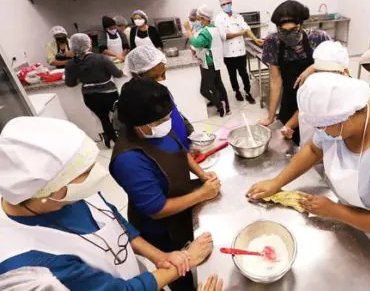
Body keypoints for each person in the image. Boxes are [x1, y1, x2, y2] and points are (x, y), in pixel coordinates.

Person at [247, 73, 370, 278]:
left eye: (321, 127)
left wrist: (335, 211)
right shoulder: (344, 114)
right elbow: (314, 149)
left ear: (346, 118)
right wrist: (276, 182)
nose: (319, 132)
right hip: (353, 213)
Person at [0, 116, 213, 290]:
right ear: (44, 190)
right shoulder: (31, 270)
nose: (97, 174)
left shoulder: (67, 194)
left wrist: (160, 257)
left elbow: (115, 222)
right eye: (84, 172)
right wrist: (185, 261)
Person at [110, 78, 221, 291]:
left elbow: (181, 150)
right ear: (138, 123)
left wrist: (202, 174)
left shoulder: (157, 126)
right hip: (163, 229)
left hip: (183, 207)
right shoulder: (129, 160)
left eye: (168, 116)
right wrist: (202, 194)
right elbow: (157, 209)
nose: (167, 122)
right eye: (161, 119)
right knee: (184, 274)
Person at [258, 0, 331, 145]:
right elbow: (275, 80)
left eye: (293, 30)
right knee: (288, 140)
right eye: (283, 31)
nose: (288, 35)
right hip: (290, 99)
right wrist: (270, 117)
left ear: (301, 24)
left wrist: (312, 68)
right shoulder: (273, 41)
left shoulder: (318, 38)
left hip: (316, 100)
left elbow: (336, 66)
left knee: (316, 143)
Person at [281, 40, 351, 146]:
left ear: (344, 72)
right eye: (319, 72)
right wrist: (288, 126)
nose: (323, 77)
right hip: (308, 148)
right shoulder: (313, 85)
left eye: (330, 73)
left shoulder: (352, 97)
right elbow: (305, 109)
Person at [126, 45, 194, 147]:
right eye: (155, 77)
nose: (163, 79)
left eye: (163, 73)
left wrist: (191, 133)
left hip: (183, 146)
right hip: (167, 154)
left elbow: (176, 113)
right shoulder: (133, 103)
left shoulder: (161, 90)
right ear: (137, 75)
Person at [65, 33, 123, 148]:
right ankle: (120, 138)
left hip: (90, 97)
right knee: (118, 115)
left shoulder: (71, 63)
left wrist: (81, 79)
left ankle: (109, 137)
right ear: (89, 45)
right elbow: (117, 74)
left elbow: (70, 83)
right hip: (109, 94)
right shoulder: (101, 58)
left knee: (103, 117)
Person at [215, 0, 264, 104]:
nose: (226, 6)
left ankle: (247, 92)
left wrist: (255, 39)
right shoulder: (218, 19)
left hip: (241, 52)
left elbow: (247, 29)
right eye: (224, 4)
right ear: (221, 6)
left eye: (228, 3)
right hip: (228, 53)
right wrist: (239, 33)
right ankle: (237, 91)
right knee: (232, 75)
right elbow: (224, 36)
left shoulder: (238, 17)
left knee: (244, 74)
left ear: (231, 3)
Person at [183, 4, 230, 117]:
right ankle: (226, 106)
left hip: (209, 63)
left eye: (198, 19)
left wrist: (189, 30)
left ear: (204, 18)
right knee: (218, 84)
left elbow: (196, 43)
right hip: (215, 60)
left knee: (204, 90)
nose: (197, 21)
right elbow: (206, 44)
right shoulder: (213, 27)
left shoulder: (206, 31)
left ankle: (219, 104)